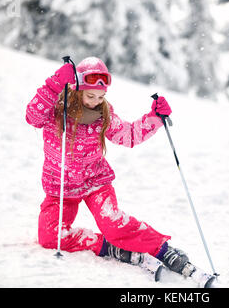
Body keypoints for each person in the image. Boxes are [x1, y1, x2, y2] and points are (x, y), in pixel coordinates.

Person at [25, 56, 190, 274]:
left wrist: (154, 118)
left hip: (95, 183)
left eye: (101, 96)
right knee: (49, 237)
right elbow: (32, 117)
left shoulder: (104, 114)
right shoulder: (57, 110)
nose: (95, 101)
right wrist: (53, 85)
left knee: (112, 223)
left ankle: (162, 249)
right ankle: (108, 247)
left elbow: (129, 135)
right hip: (60, 188)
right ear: (76, 89)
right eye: (90, 95)